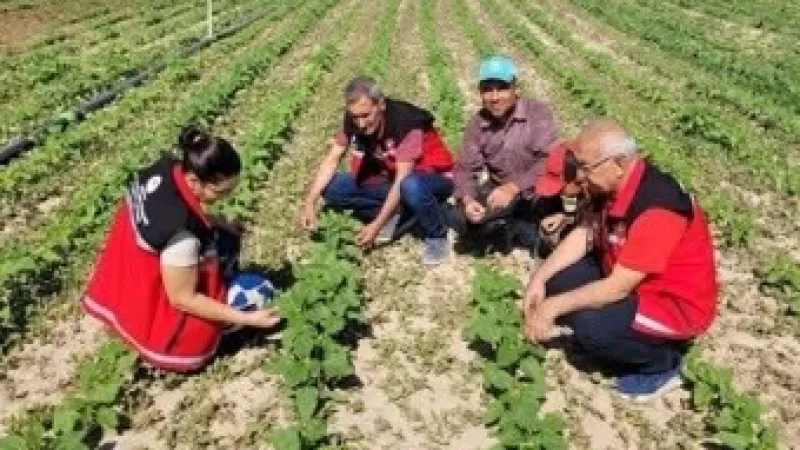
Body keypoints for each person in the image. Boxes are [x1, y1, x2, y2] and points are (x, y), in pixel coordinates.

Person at [523, 119, 718, 402]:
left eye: (586, 167)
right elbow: (584, 234)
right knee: (556, 280)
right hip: (629, 279)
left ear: (619, 163)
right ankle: (618, 334)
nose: (579, 176)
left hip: (670, 303)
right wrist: (538, 279)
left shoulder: (659, 206)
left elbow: (617, 288)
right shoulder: (609, 186)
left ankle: (663, 364)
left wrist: (551, 308)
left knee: (593, 330)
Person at [82, 126, 281, 373]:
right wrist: (249, 319)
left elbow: (183, 209)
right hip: (162, 331)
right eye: (221, 191)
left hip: (125, 283)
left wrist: (219, 223)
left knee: (227, 236)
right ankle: (218, 336)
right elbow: (183, 299)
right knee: (256, 291)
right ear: (195, 180)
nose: (227, 196)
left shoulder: (167, 171)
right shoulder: (182, 237)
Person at [298, 76, 455, 265]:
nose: (361, 124)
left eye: (366, 115)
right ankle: (400, 212)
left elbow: (402, 179)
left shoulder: (406, 123)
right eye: (355, 117)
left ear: (381, 105)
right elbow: (332, 158)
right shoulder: (354, 119)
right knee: (333, 187)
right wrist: (310, 201)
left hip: (432, 179)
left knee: (411, 186)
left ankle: (437, 234)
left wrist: (377, 226)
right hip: (392, 177)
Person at [450, 55, 558, 252]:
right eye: (487, 90)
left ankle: (517, 225)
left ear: (515, 89)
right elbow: (465, 167)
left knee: (547, 243)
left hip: (537, 191)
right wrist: (468, 200)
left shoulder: (537, 113)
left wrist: (513, 187)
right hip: (498, 187)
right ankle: (508, 223)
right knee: (459, 219)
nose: (494, 97)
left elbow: (549, 160)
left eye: (501, 88)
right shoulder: (478, 123)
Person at [534, 140, 588, 255]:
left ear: (578, 180)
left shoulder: (597, 195)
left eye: (559, 188)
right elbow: (571, 206)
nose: (558, 193)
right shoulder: (573, 190)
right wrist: (562, 216)